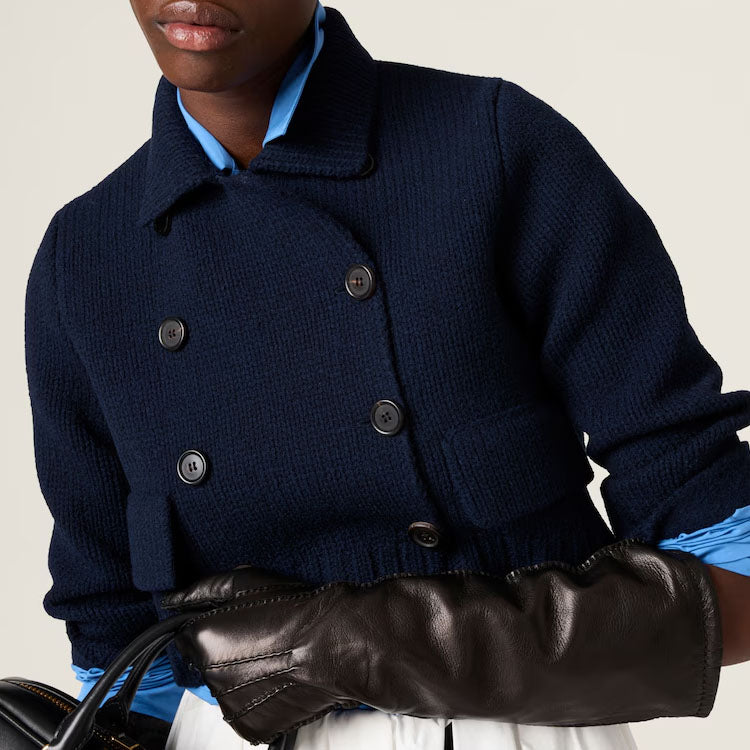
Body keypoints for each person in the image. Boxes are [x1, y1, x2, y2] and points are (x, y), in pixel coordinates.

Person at [23, 2, 750, 749]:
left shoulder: (491, 146)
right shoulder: (85, 254)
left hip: (500, 731)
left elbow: (732, 578)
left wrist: (361, 645)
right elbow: (117, 648)